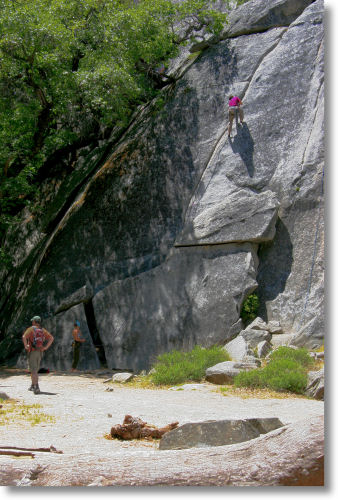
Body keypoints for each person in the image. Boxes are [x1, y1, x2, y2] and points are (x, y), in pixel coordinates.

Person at [22, 316, 54, 394]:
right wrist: (45, 347)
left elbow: (24, 336)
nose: (32, 322)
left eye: (32, 321)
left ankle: (36, 386)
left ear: (34, 322)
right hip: (40, 352)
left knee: (33, 371)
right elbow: (51, 338)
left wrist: (26, 346)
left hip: (32, 351)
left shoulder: (31, 329)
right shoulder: (42, 330)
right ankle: (33, 385)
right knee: (34, 369)